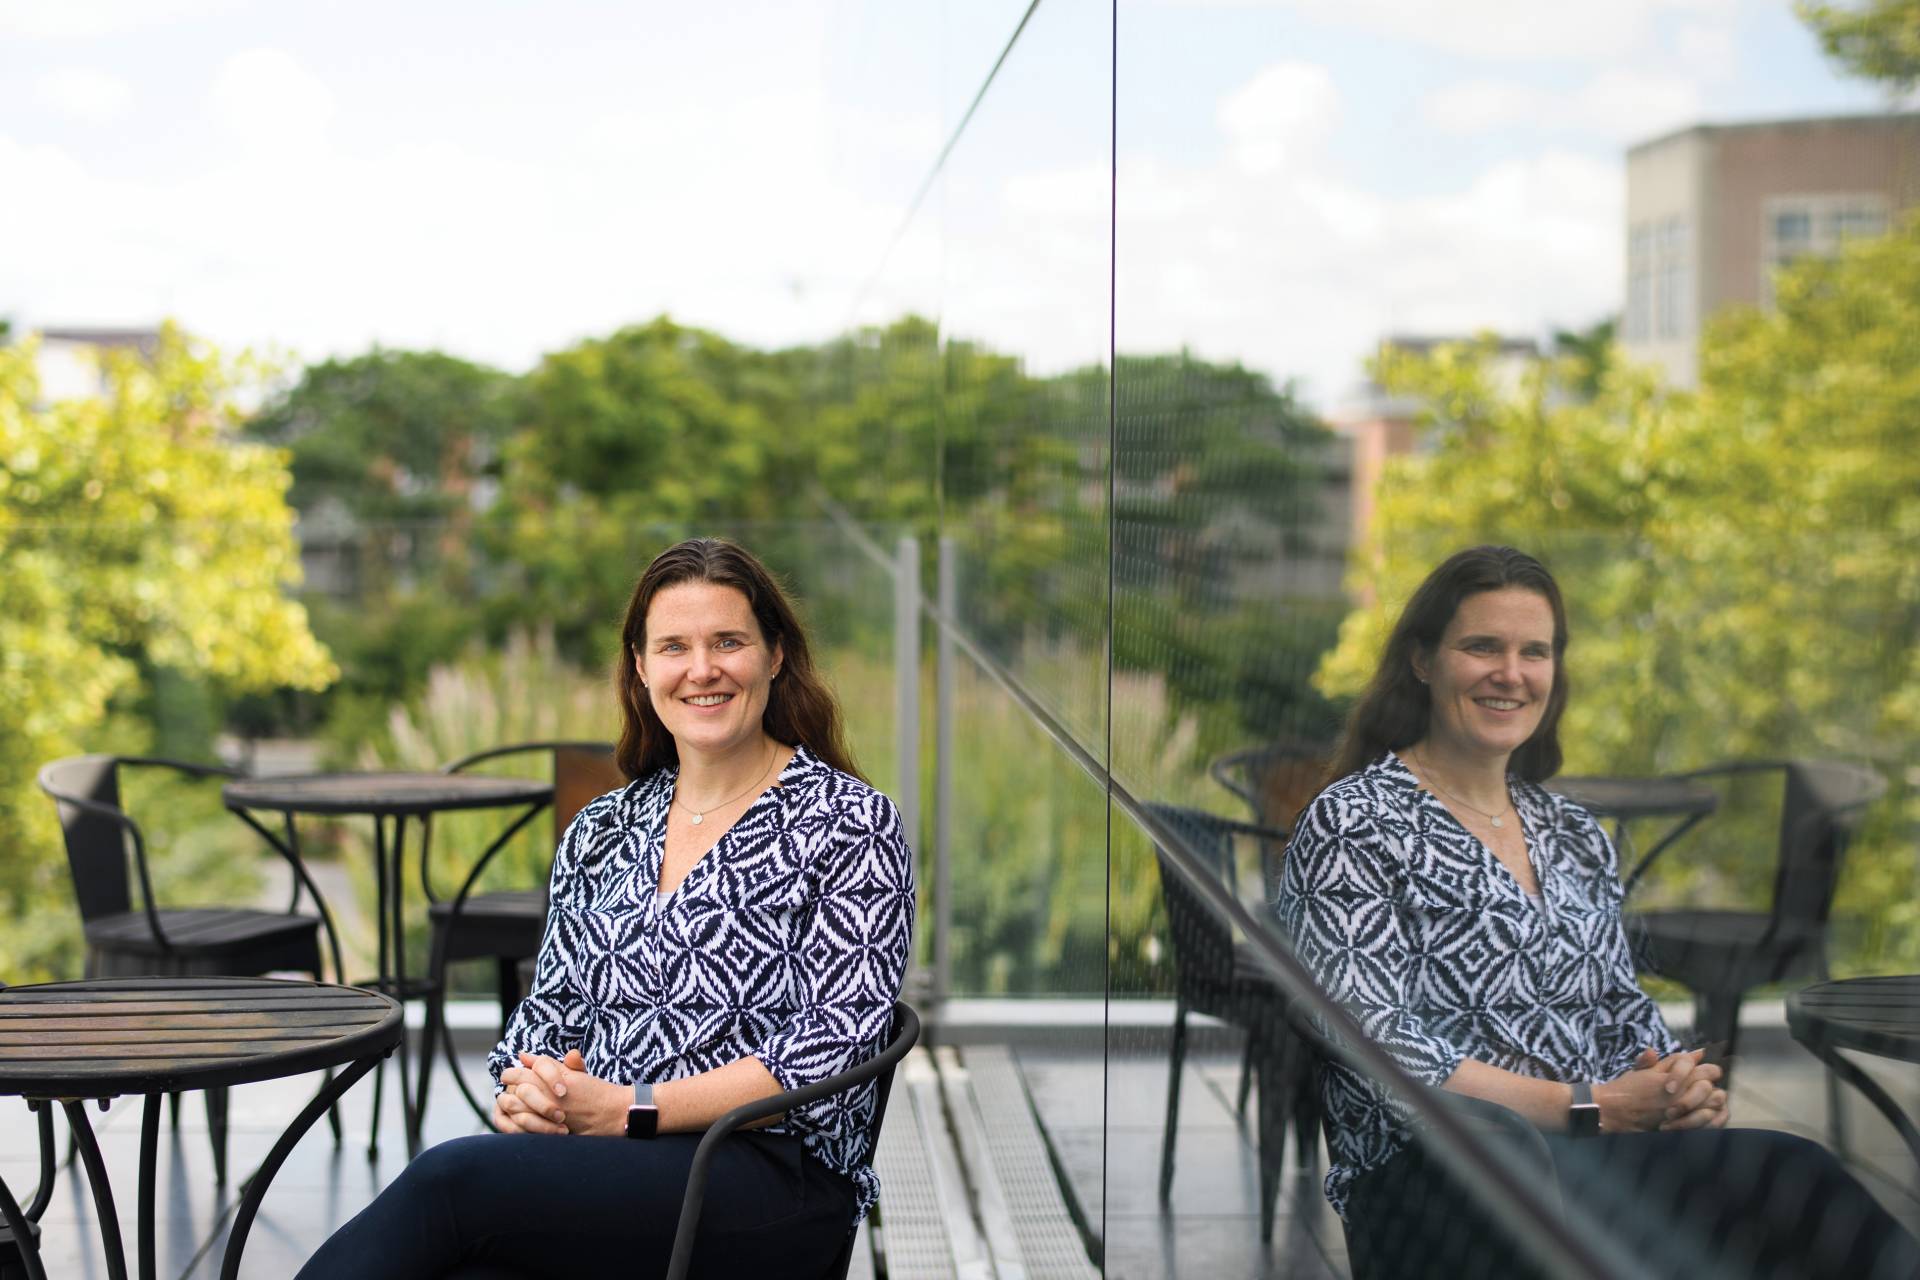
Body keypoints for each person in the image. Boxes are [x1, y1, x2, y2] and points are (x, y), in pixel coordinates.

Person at [1276, 544, 1917, 1280]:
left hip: (1596, 1166)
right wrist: (1588, 1106)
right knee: (1505, 1156)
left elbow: (1617, 1005)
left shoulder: (1573, 831)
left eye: (1534, 652)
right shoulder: (1355, 821)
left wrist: (1675, 1086)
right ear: (1422, 660)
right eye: (1482, 646)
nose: (1510, 673)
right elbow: (1370, 1038)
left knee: (1795, 1174)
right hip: (1439, 1179)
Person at [296, 537, 915, 1279]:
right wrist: (529, 1094)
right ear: (641, 668)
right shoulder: (605, 827)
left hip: (770, 1176)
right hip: (614, 1165)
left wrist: (630, 1108)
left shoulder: (849, 821)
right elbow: (547, 1013)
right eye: (674, 647)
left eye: (728, 642)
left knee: (452, 1182)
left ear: (775, 656)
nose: (702, 669)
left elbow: (832, 1043)